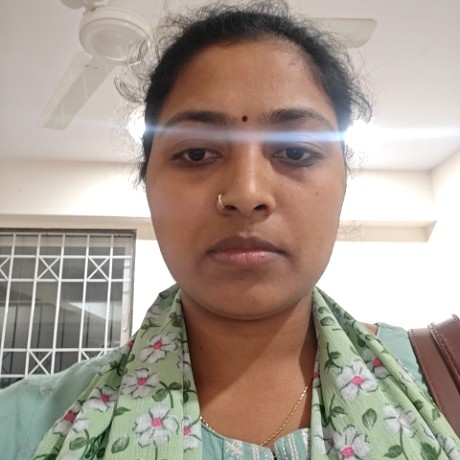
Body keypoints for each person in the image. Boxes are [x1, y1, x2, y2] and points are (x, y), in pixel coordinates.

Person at [1, 1, 459, 459]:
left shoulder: (445, 378)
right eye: (196, 154)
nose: (246, 193)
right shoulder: (22, 425)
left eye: (295, 152)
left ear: (343, 180)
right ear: (148, 182)